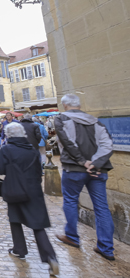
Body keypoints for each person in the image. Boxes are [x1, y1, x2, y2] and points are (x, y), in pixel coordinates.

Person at [54, 94, 115, 261]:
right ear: (79, 105)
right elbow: (108, 144)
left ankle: (72, 237)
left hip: (75, 169)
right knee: (102, 207)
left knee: (70, 200)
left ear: (65, 105)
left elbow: (68, 142)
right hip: (97, 169)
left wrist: (83, 161)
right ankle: (106, 247)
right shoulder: (95, 121)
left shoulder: (61, 119)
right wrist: (95, 163)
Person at [0, 122, 60, 276]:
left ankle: (19, 249)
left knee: (15, 219)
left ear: (8, 135)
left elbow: (0, 169)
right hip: (33, 189)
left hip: (15, 188)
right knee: (38, 225)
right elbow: (39, 170)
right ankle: (50, 257)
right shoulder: (32, 149)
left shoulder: (6, 149)